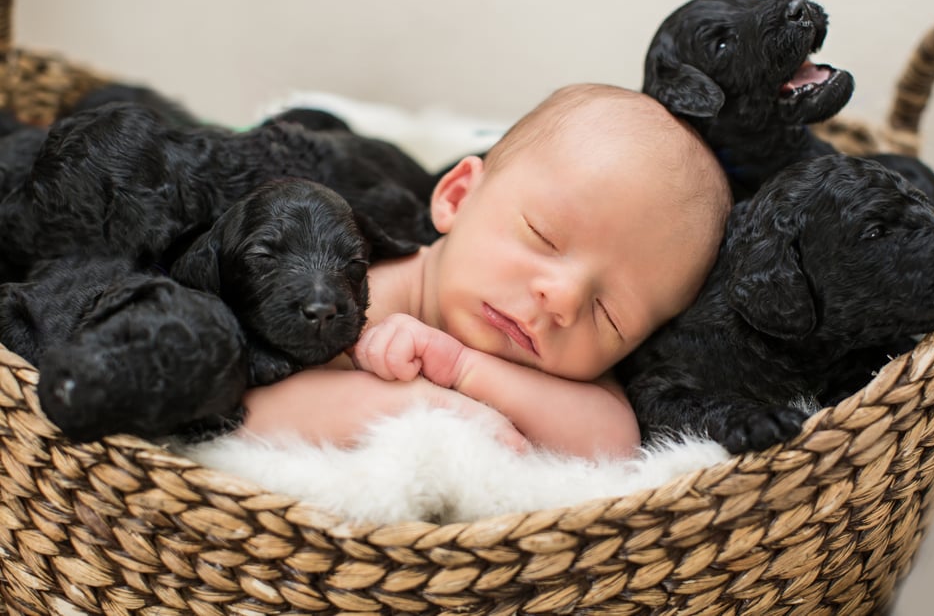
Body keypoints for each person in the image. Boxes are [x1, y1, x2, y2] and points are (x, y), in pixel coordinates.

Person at [242, 83, 732, 460]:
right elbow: (248, 409)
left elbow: (613, 443)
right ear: (457, 197)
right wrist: (424, 404)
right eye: (544, 237)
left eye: (611, 315)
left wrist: (463, 369)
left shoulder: (562, 373)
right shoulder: (363, 293)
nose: (562, 299)